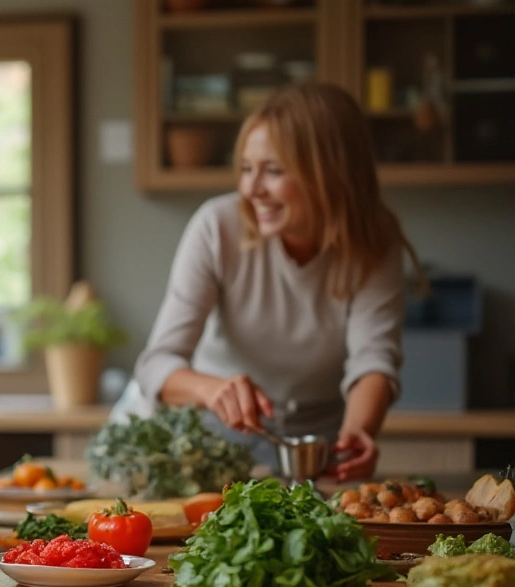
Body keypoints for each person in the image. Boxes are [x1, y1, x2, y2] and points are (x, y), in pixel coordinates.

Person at [121, 83, 422, 481]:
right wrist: (214, 391)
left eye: (273, 171)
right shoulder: (217, 226)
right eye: (247, 168)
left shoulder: (375, 240)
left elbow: (373, 359)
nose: (251, 189)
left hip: (317, 445)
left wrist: (359, 431)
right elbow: (157, 363)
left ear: (330, 174)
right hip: (209, 440)